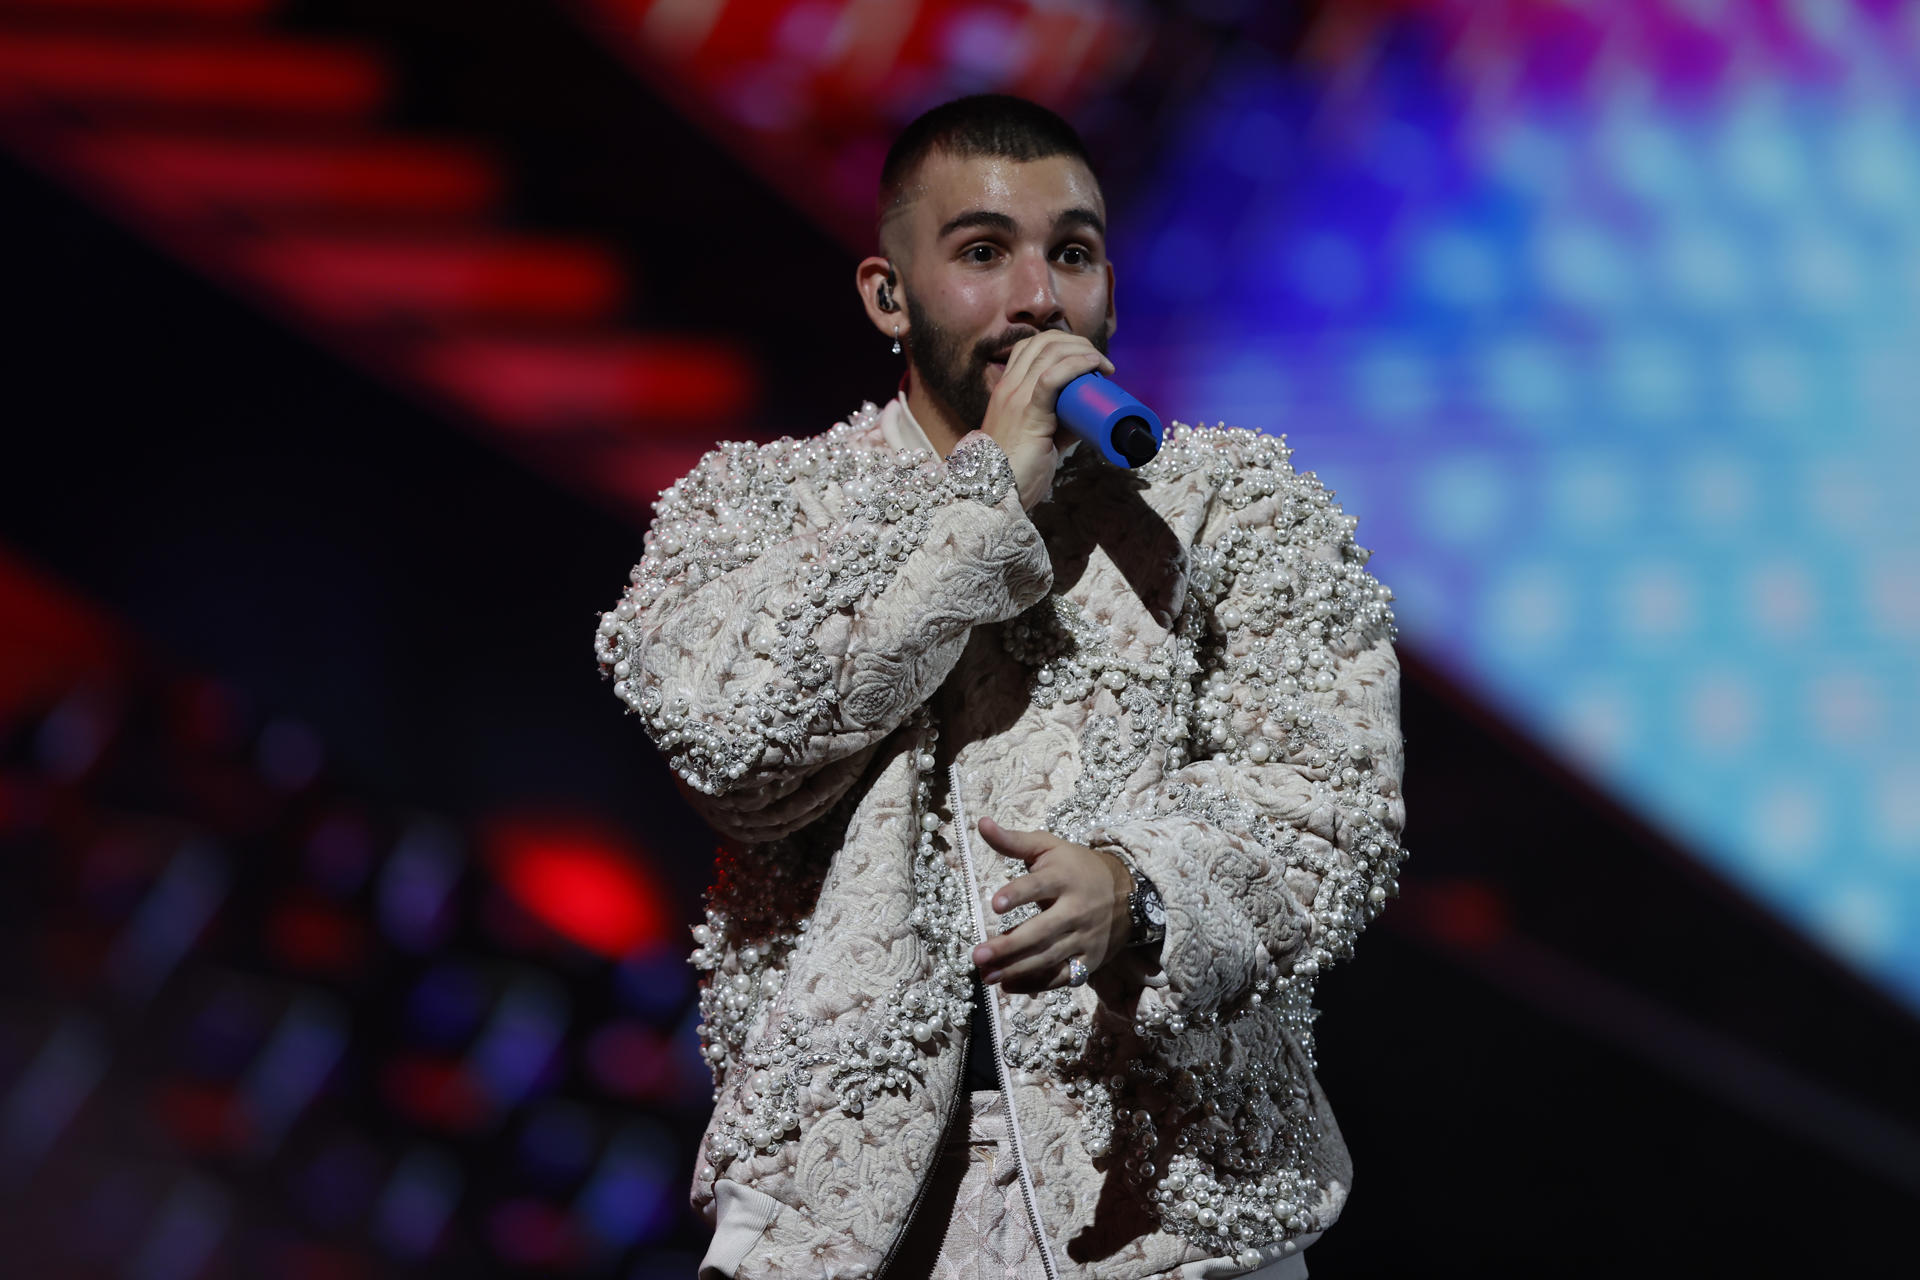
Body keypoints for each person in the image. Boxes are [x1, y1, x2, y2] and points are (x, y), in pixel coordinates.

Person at [594, 94, 1407, 1280]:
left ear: (1110, 293)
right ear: (888, 293)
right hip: (841, 1226)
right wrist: (986, 502)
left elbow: (1331, 802)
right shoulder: (759, 513)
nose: (1038, 297)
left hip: (1167, 1224)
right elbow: (736, 746)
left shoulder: (1237, 509)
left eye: (1070, 254)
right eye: (984, 253)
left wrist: (1143, 891)